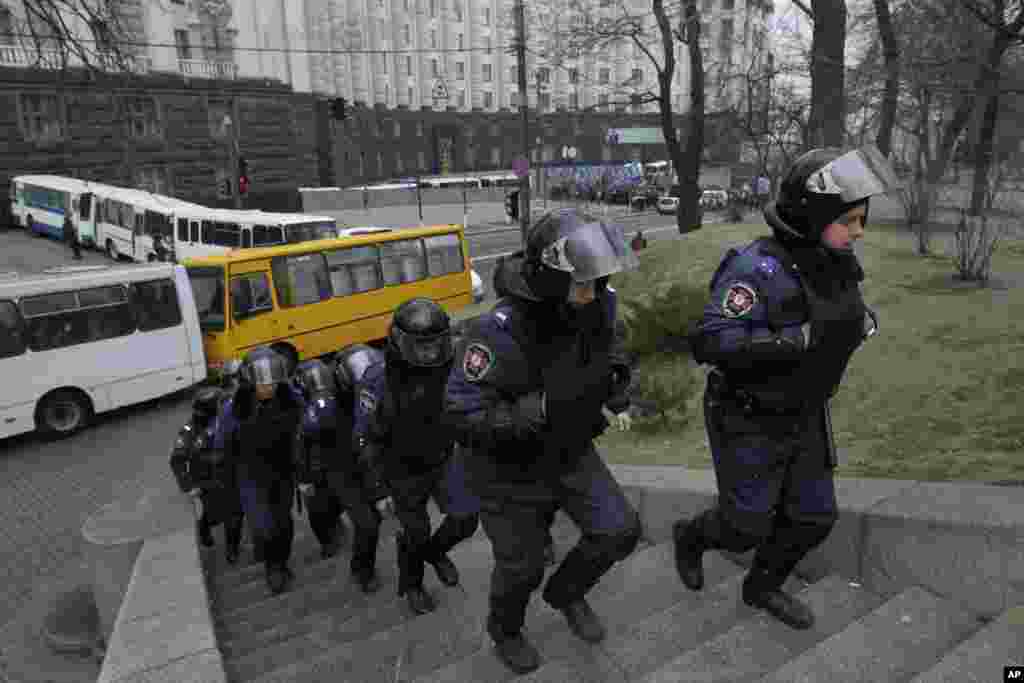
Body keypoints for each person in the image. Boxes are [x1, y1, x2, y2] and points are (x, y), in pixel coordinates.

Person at [675, 144, 897, 630]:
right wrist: (789, 340)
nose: (860, 231)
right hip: (746, 414)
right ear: (815, 214)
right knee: (742, 528)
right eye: (851, 220)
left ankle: (762, 586)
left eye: (863, 218)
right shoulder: (755, 268)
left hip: (804, 411)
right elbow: (711, 339)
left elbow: (838, 310)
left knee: (815, 518)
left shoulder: (830, 258)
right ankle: (691, 537)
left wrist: (859, 323)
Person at [446, 208, 641, 674]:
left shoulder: (595, 300)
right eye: (581, 284)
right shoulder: (497, 330)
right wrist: (538, 410)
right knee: (523, 566)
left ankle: (566, 592)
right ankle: (505, 628)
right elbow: (462, 410)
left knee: (619, 530)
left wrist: (616, 392)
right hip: (506, 469)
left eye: (597, 282)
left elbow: (608, 349)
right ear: (550, 279)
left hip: (569, 450)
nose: (591, 294)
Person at [354, 298, 481, 616]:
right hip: (402, 470)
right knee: (414, 532)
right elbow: (365, 438)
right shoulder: (377, 379)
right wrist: (378, 490)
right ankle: (412, 584)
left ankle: (435, 552)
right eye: (421, 346)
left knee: (466, 518)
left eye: (435, 344)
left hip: (442, 458)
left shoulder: (450, 365)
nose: (429, 353)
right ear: (400, 342)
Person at [216, 346, 303, 595]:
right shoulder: (235, 407)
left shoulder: (289, 396)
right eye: (262, 383)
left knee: (284, 523)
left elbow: (304, 418)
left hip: (282, 470)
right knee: (264, 526)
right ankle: (272, 567)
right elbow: (222, 444)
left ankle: (282, 562)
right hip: (251, 474)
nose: (269, 387)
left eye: (272, 382)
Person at [333, 344, 390, 593]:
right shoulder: (330, 404)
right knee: (368, 523)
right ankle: (362, 571)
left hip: (369, 465)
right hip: (343, 470)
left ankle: (362, 563)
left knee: (372, 522)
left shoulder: (376, 392)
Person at [169, 386, 244, 564]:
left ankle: (232, 549)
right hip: (206, 481)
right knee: (213, 515)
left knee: (235, 516)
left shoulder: (228, 419)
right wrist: (188, 486)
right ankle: (204, 529)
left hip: (231, 477)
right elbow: (177, 459)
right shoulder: (190, 430)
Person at [293, 359, 346, 560]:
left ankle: (333, 528)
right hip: (313, 468)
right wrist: (303, 478)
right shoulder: (298, 407)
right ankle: (327, 542)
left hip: (332, 464)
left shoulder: (337, 399)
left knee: (332, 503)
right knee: (317, 512)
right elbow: (298, 447)